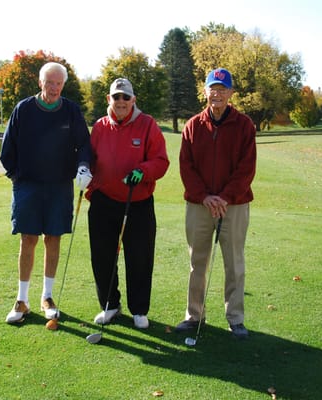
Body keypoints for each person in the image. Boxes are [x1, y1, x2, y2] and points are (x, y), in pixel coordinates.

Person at [0, 62, 93, 324]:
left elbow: (84, 145)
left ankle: (47, 297)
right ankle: (22, 300)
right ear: (40, 83)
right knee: (28, 238)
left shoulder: (71, 111)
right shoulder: (24, 109)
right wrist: (17, 176)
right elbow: (8, 149)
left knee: (53, 238)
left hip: (59, 185)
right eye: (49, 82)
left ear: (63, 85)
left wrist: (83, 167)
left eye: (58, 83)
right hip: (28, 185)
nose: (53, 88)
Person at [176, 68, 256, 339]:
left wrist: (225, 197)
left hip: (233, 206)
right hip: (199, 206)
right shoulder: (192, 125)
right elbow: (186, 167)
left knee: (234, 263)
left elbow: (247, 169)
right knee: (197, 262)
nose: (217, 94)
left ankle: (235, 318)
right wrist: (204, 196)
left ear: (231, 93)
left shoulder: (244, 125)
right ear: (205, 92)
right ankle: (194, 315)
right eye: (213, 88)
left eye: (223, 89)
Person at [85, 78, 169, 329]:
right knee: (102, 257)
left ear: (133, 100)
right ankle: (110, 305)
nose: (120, 102)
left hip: (138, 203)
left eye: (125, 97)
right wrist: (84, 175)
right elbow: (90, 159)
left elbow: (161, 161)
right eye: (116, 97)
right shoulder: (100, 126)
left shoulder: (147, 125)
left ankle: (139, 309)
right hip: (103, 201)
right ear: (109, 99)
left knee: (139, 258)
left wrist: (142, 171)